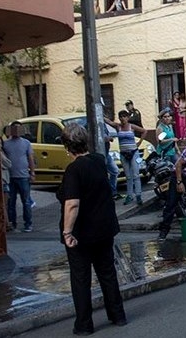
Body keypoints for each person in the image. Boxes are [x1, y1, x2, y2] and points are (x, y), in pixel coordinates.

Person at [58, 123, 127, 335]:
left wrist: (67, 232)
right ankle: (117, 315)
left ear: (67, 146)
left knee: (81, 278)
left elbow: (72, 204)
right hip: (104, 228)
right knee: (107, 272)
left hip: (82, 234)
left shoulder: (74, 169)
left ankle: (84, 324)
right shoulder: (98, 160)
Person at [104, 111, 147, 205]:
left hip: (133, 152)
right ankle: (129, 195)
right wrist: (101, 114)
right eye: (121, 117)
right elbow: (109, 122)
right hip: (123, 154)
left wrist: (139, 142)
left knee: (136, 174)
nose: (123, 119)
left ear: (128, 117)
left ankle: (138, 195)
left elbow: (144, 131)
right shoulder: (118, 126)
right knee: (128, 176)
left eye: (124, 116)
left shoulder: (132, 126)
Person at [2, 121, 35, 232]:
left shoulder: (26, 143)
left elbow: (30, 158)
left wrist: (32, 173)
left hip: (23, 176)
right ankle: (13, 224)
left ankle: (28, 224)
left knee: (26, 201)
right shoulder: (5, 144)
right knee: (11, 203)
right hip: (10, 177)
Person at [0, 134, 12, 231]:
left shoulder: (2, 151)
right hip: (3, 181)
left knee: (5, 204)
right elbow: (8, 163)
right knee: (4, 204)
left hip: (5, 180)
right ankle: (6, 224)